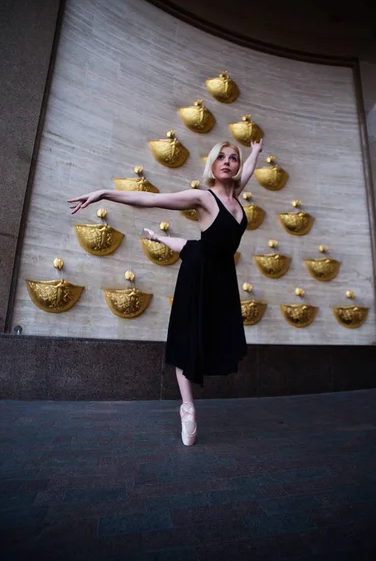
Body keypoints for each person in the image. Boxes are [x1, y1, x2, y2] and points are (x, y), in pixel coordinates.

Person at [68, 138, 263, 445]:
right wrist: (104, 193)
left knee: (214, 338)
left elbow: (250, 170)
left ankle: (158, 238)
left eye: (233, 158)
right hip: (197, 273)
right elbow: (152, 200)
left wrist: (255, 152)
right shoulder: (203, 197)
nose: (228, 161)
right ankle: (187, 408)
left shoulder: (236, 197)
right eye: (221, 157)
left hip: (222, 277)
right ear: (212, 165)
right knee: (188, 341)